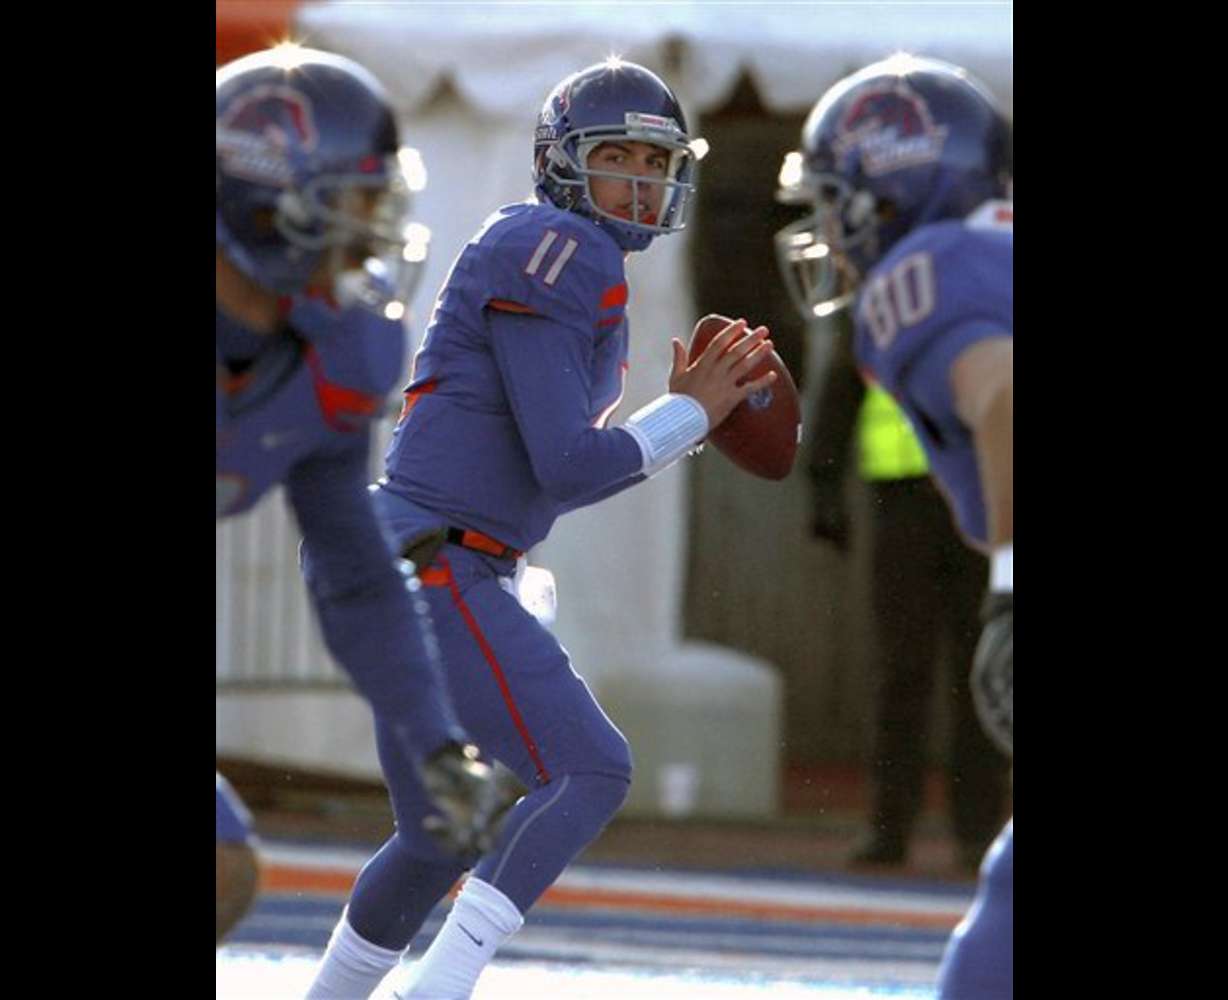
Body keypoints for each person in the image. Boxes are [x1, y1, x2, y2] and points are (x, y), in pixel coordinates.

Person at [304, 58, 777, 1000]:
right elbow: (567, 465)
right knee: (591, 768)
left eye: (656, 158)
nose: (642, 179)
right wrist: (691, 416)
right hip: (436, 559)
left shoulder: (555, 247)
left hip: (412, 555)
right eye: (618, 156)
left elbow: (543, 469)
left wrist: (681, 414)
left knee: (442, 830)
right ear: (565, 163)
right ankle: (440, 990)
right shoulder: (566, 247)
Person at [215, 45, 512, 944]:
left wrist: (432, 739)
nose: (372, 227)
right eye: (356, 200)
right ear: (268, 195)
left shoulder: (337, 347)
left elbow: (351, 564)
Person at [776, 54, 1013, 998]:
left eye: (840, 202)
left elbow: (1003, 398)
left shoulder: (928, 275)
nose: (828, 230)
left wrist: (1009, 593)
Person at [801, 308, 1008, 873]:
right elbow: (845, 378)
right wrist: (823, 480)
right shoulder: (892, 286)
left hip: (983, 496)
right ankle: (890, 828)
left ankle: (978, 831)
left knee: (982, 665)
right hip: (905, 501)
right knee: (902, 668)